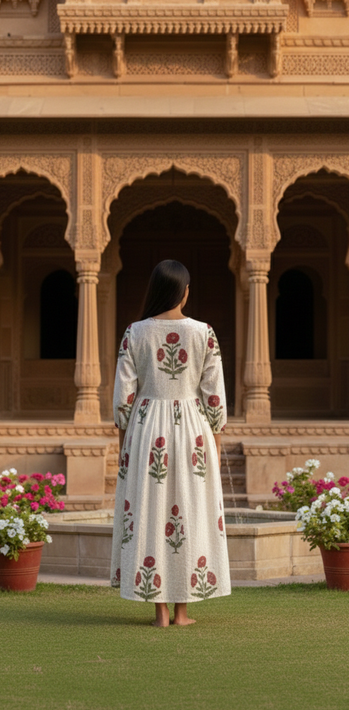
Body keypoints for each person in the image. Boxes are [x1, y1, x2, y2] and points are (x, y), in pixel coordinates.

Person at [110, 259, 231, 627]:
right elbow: (214, 395)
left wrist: (123, 440)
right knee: (189, 512)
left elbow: (123, 397)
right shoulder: (204, 333)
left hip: (147, 428)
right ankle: (182, 612)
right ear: (184, 291)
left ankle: (159, 611)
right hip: (193, 428)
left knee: (151, 511)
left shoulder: (135, 333)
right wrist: (217, 438)